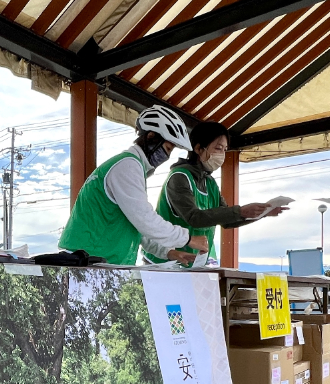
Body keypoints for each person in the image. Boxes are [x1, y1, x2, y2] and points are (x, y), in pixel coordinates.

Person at [59, 107, 207, 266]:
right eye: (167, 148)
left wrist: (168, 252)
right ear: (151, 137)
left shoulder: (131, 166)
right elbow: (144, 219)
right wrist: (188, 239)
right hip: (87, 262)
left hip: (93, 261)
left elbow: (136, 224)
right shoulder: (128, 166)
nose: (167, 157)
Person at [144, 121, 287, 265]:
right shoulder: (179, 177)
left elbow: (226, 219)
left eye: (225, 149)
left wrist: (262, 213)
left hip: (195, 261)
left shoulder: (210, 182)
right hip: (166, 261)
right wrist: (241, 211)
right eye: (218, 148)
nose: (222, 155)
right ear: (199, 148)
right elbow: (194, 218)